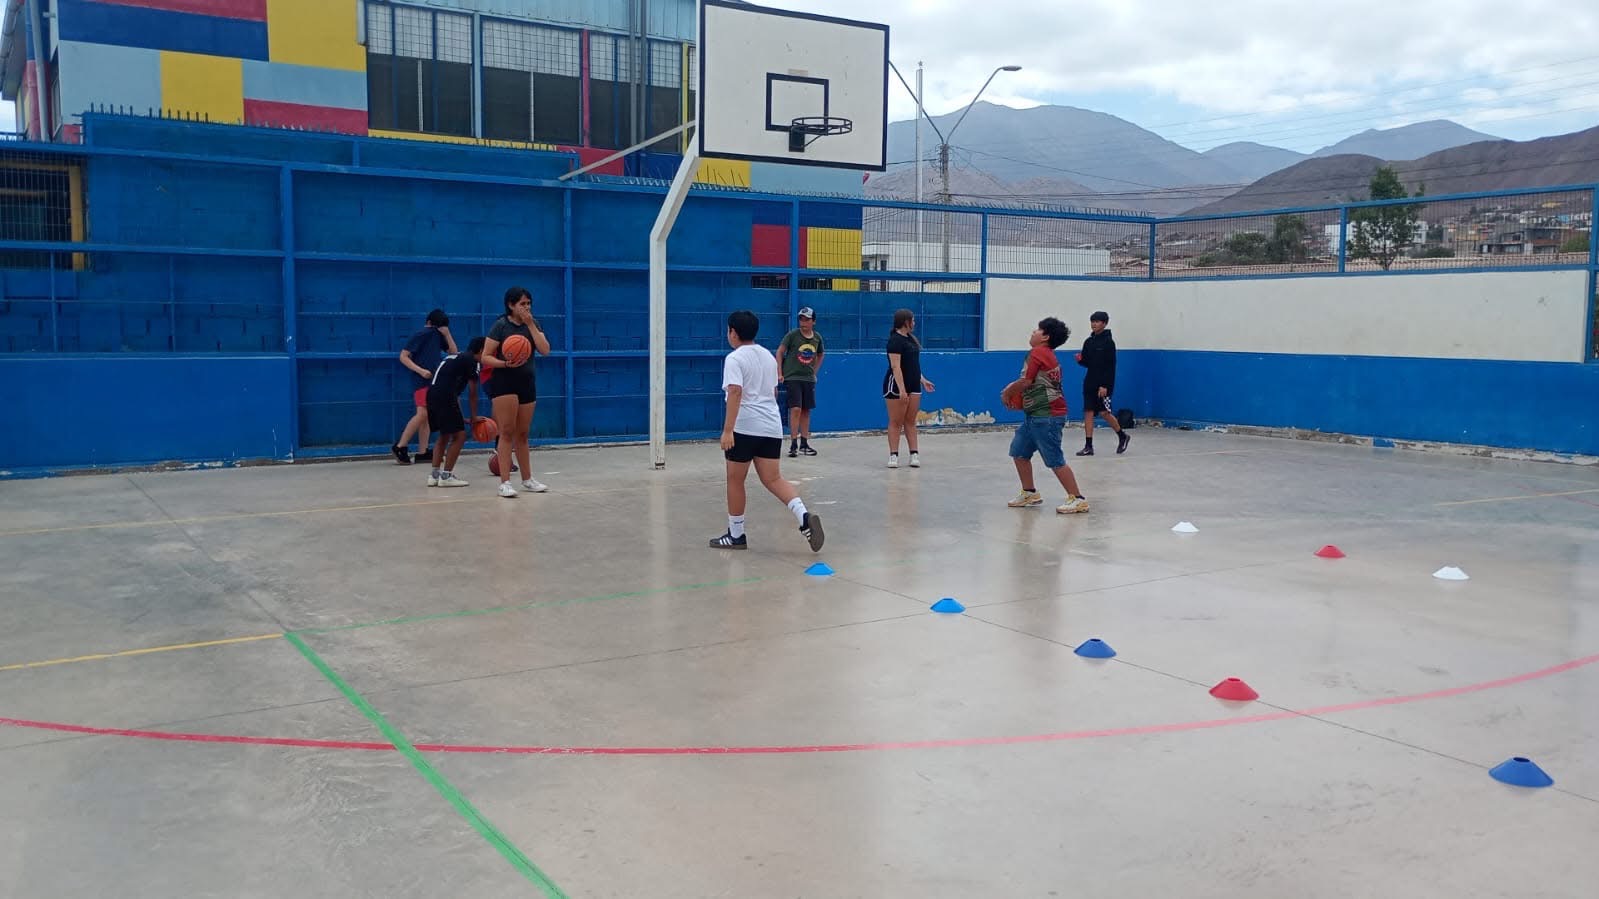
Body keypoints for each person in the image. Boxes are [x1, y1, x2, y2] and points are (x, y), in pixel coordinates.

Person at [709, 310, 826, 553]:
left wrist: (728, 430)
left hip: (744, 427)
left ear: (733, 332)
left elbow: (735, 392)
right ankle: (803, 516)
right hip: (770, 426)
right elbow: (772, 393)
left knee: (735, 479)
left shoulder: (735, 358)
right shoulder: (767, 357)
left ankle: (736, 534)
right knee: (773, 479)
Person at [1007, 317, 1090, 514]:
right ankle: (1030, 492)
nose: (1033, 332)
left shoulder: (1037, 353)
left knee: (1054, 458)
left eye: (1037, 329)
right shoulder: (1046, 354)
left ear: (1045, 336)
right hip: (1035, 415)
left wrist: (1007, 392)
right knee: (1019, 452)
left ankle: (1077, 498)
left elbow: (1026, 381)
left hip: (1047, 416)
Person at [481, 286, 551, 498]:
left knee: (523, 433)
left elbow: (545, 350)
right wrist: (504, 364)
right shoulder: (501, 326)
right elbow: (485, 356)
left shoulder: (533, 324)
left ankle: (527, 479)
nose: (526, 307)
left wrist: (530, 324)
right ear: (511, 305)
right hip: (504, 382)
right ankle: (504, 482)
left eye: (528, 303)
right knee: (507, 431)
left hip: (527, 382)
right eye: (522, 304)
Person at [392, 309, 457, 464]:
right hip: (422, 380)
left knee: (426, 416)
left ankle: (422, 451)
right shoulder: (423, 334)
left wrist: (447, 335)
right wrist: (421, 371)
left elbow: (453, 352)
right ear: (429, 323)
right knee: (422, 414)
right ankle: (400, 445)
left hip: (431, 380)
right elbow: (403, 356)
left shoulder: (438, 335)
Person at [425, 337, 487, 488]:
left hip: (432, 395)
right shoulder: (473, 361)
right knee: (460, 436)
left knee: (445, 434)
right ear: (480, 351)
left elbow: (454, 391)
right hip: (445, 396)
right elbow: (473, 392)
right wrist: (473, 417)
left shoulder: (456, 357)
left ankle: (434, 475)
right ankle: (446, 476)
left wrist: (459, 416)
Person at [882, 308, 934, 469]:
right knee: (896, 421)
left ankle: (914, 454)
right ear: (906, 321)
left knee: (910, 421)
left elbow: (913, 365)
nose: (914, 322)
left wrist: (923, 380)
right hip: (896, 386)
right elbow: (896, 367)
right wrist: (902, 390)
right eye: (912, 320)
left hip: (914, 384)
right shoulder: (895, 341)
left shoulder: (911, 340)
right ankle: (893, 455)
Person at [1077, 310, 1129, 456]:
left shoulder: (1109, 343)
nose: (1094, 324)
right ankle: (1088, 446)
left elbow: (1110, 366)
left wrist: (1105, 385)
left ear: (1104, 324)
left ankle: (1122, 436)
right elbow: (1087, 362)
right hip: (1089, 382)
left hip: (1104, 384)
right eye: (1092, 321)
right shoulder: (1088, 342)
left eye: (1097, 321)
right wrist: (1081, 360)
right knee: (1088, 411)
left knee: (1104, 412)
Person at [775, 306, 825, 457]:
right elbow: (780, 351)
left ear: (813, 321)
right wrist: (780, 372)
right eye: (801, 319)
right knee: (795, 408)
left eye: (807, 320)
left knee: (806, 410)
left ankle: (804, 442)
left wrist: (814, 372)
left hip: (808, 378)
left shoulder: (817, 338)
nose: (803, 322)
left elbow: (821, 354)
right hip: (793, 377)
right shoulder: (792, 335)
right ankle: (793, 443)